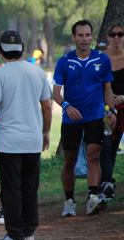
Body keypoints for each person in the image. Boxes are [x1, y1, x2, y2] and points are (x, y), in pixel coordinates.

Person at [0, 30, 51, 240]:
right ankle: (28, 233)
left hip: (9, 141)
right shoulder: (37, 72)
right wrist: (45, 132)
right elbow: (47, 106)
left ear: (0, 50)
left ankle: (14, 235)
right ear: (22, 49)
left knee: (11, 188)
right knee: (30, 187)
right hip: (32, 140)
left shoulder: (0, 74)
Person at [53, 20, 115, 218]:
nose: (84, 39)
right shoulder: (64, 61)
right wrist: (67, 106)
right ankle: (69, 201)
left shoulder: (102, 60)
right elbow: (55, 92)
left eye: (88, 35)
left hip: (95, 116)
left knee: (93, 157)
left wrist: (110, 112)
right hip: (71, 118)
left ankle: (92, 197)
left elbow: (108, 90)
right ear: (73, 37)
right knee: (69, 160)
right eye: (80, 35)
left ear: (92, 37)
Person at [99, 22, 124, 200]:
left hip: (123, 106)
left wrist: (122, 98)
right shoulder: (102, 58)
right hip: (108, 110)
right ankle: (106, 184)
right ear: (108, 36)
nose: (116, 38)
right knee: (108, 146)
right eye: (113, 34)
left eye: (120, 34)